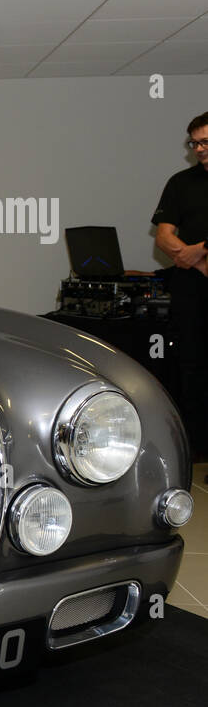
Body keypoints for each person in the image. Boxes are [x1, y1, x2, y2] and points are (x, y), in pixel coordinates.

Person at [153, 111, 208, 460]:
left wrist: (195, 250)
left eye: (205, 142)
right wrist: (200, 258)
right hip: (191, 293)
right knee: (193, 370)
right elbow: (163, 237)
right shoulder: (180, 183)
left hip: (192, 270)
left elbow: (181, 247)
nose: (199, 149)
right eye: (195, 143)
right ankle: (198, 451)